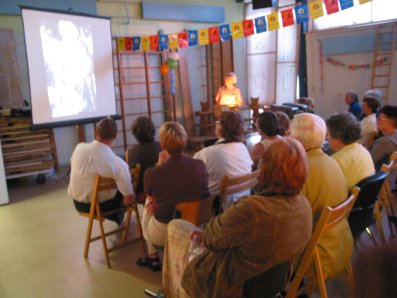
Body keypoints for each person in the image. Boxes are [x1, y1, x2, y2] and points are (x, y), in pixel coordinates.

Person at [162, 137, 312, 297]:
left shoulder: (253, 209)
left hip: (232, 286)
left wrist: (205, 236)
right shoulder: (303, 206)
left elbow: (211, 239)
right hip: (272, 283)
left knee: (175, 226)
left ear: (265, 168)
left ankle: (171, 292)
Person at [137, 122, 209, 271]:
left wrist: (158, 166)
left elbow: (151, 196)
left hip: (167, 229)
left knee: (148, 203)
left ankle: (153, 257)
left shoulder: (152, 173)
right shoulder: (199, 165)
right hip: (196, 224)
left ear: (162, 145)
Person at [290, 113, 353, 279]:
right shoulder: (333, 161)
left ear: (296, 138)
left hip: (317, 254)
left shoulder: (301, 171)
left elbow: (287, 220)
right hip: (341, 245)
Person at [68, 117, 134, 225]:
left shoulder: (78, 148)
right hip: (97, 207)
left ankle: (117, 216)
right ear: (115, 136)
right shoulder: (118, 164)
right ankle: (117, 215)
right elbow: (129, 198)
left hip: (77, 203)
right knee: (126, 189)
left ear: (96, 131)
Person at [194, 111, 253, 210]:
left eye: (217, 122)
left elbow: (192, 175)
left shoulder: (207, 153)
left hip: (220, 207)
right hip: (244, 203)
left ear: (220, 127)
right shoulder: (243, 147)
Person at [326, 112, 375, 190]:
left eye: (328, 134)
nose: (327, 138)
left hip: (347, 200)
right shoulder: (364, 151)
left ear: (337, 138)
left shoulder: (337, 160)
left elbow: (330, 191)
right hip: (364, 199)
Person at [125, 116, 161, 203]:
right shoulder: (162, 147)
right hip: (160, 189)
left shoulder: (131, 152)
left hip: (141, 193)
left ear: (135, 134)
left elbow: (129, 177)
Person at [370, 105, 397, 170]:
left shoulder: (384, 142)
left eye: (381, 117)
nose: (377, 119)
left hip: (376, 177)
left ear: (392, 120)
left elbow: (368, 162)